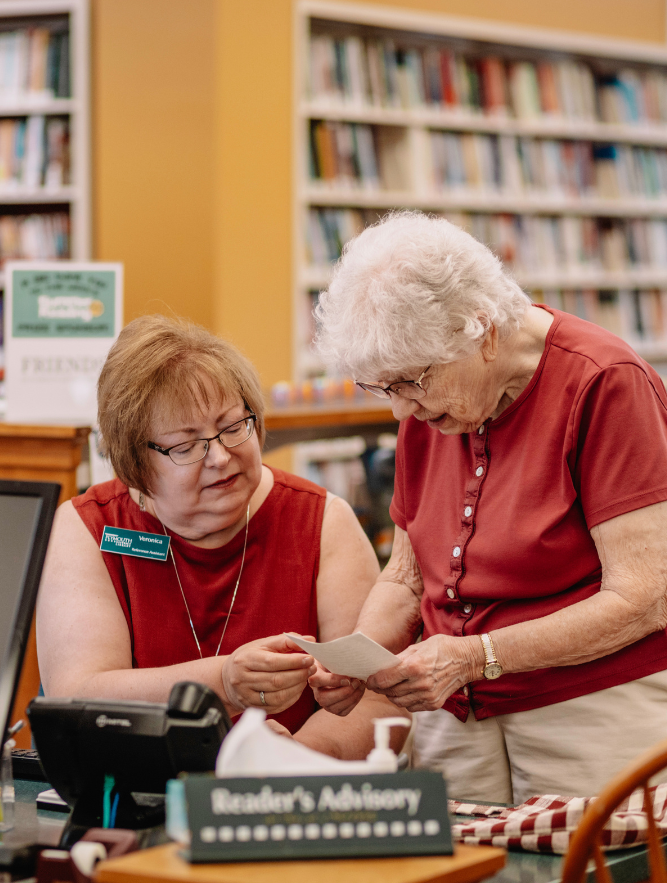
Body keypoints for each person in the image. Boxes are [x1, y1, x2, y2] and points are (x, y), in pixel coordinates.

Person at [310, 212, 667, 808]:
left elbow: (646, 596)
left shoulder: (606, 383)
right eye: (384, 388)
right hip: (457, 702)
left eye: (412, 382)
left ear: (483, 331)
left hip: (600, 694)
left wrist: (477, 657)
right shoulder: (434, 400)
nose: (402, 412)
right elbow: (407, 575)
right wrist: (358, 655)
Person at [36, 314, 402, 758]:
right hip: (144, 796)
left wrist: (297, 759)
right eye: (187, 446)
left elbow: (381, 699)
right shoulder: (87, 529)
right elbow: (75, 698)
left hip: (293, 805)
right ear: (134, 462)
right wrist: (223, 682)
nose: (220, 457)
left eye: (233, 427)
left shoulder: (322, 520)